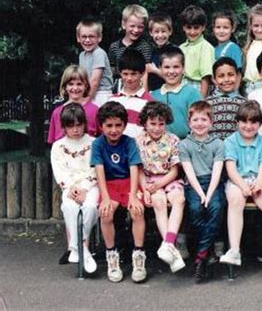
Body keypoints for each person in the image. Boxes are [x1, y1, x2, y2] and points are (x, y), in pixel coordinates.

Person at [220, 101, 262, 268]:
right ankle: (234, 251)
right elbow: (231, 169)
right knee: (235, 200)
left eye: (253, 122)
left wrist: (259, 185)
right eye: (244, 121)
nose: (248, 126)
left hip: (258, 180)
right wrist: (243, 186)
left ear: (260, 124)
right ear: (237, 122)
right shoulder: (230, 141)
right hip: (238, 181)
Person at [90, 101, 146, 283]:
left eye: (118, 125)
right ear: (101, 126)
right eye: (109, 126)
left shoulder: (129, 142)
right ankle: (111, 257)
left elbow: (133, 168)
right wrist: (105, 198)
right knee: (106, 214)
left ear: (124, 125)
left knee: (137, 212)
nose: (113, 130)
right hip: (110, 185)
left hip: (129, 184)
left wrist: (133, 196)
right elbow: (99, 171)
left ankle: (138, 256)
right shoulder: (98, 144)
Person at [135, 101, 186, 273]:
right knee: (159, 202)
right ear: (144, 123)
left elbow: (175, 170)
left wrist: (161, 183)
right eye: (153, 124)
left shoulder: (173, 140)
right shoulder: (138, 141)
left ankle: (168, 243)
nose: (157, 128)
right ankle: (172, 250)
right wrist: (145, 189)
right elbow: (139, 170)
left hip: (168, 179)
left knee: (179, 199)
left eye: (161, 124)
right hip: (149, 181)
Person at [178, 101, 226, 282]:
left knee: (215, 207)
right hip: (194, 184)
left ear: (211, 122)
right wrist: (201, 194)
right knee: (196, 209)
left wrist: (209, 193)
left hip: (213, 182)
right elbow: (189, 172)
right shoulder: (184, 145)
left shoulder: (218, 144)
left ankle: (200, 255)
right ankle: (206, 252)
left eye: (204, 119)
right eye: (195, 119)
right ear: (189, 122)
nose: (199, 123)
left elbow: (217, 171)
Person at [50, 103, 99, 274]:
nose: (76, 130)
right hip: (70, 187)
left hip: (91, 186)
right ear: (64, 127)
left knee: (90, 206)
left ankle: (77, 247)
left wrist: (85, 188)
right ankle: (82, 249)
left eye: (79, 125)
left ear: (85, 124)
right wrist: (71, 188)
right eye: (71, 126)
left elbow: (96, 169)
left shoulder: (94, 143)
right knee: (69, 206)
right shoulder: (58, 146)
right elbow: (59, 171)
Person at [150, 47, 201, 139]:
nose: (171, 71)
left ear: (183, 68)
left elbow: (199, 122)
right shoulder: (153, 95)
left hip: (186, 144)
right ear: (160, 68)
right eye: (167, 67)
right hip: (158, 147)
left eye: (176, 67)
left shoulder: (192, 93)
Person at [47, 65, 99, 144]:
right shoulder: (57, 112)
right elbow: (54, 143)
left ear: (86, 86)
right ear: (65, 87)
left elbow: (102, 139)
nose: (75, 88)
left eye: (79, 84)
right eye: (71, 84)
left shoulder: (95, 110)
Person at [108, 4, 153, 92]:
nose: (136, 30)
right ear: (124, 24)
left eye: (140, 27)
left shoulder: (145, 47)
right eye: (132, 26)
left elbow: (144, 73)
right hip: (118, 88)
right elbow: (111, 72)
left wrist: (143, 95)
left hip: (137, 86)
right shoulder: (114, 47)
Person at [109, 49, 153, 138]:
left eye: (133, 74)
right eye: (125, 74)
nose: (129, 78)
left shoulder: (149, 103)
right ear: (120, 73)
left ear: (142, 73)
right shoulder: (111, 100)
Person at [206, 57, 246, 141]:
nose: (226, 80)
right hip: (213, 150)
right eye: (221, 76)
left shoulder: (244, 103)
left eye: (230, 75)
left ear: (238, 76)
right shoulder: (207, 104)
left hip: (236, 150)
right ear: (214, 79)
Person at [179, 5, 215, 97]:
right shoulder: (181, 48)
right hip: (181, 86)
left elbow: (205, 78)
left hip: (198, 86)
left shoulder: (206, 47)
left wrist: (201, 100)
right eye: (189, 27)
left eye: (196, 27)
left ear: (203, 27)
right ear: (183, 27)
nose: (192, 32)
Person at [76, 18, 113, 106]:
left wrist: (87, 100)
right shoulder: (82, 55)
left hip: (102, 94)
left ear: (99, 38)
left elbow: (95, 80)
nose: (87, 40)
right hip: (88, 91)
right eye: (84, 37)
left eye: (91, 36)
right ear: (78, 38)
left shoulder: (98, 53)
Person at [147, 12, 179, 92]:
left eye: (163, 31)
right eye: (157, 32)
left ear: (170, 32)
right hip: (154, 92)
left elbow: (175, 76)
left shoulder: (174, 51)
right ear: (151, 33)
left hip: (170, 91)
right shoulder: (153, 51)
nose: (160, 35)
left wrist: (155, 70)